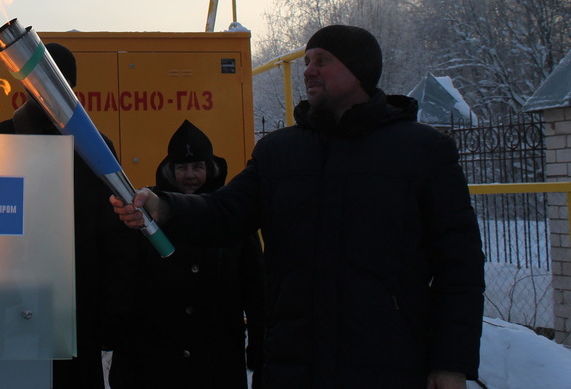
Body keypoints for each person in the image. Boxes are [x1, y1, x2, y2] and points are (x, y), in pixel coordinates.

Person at [111, 25, 485, 389]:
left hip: (387, 361)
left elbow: (459, 266)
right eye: (306, 61)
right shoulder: (280, 153)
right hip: (294, 364)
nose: (308, 70)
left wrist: (451, 363)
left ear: (359, 70)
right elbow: (225, 213)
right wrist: (164, 207)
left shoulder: (421, 151)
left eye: (322, 60)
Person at [0, 42, 130, 389]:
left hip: (74, 308)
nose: (45, 93)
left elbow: (112, 237)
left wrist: (111, 313)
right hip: (8, 304)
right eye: (38, 83)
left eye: (57, 83)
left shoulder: (94, 147)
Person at [107, 119, 264, 389]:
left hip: (216, 360)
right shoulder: (144, 213)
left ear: (210, 168)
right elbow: (124, 279)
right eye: (182, 167)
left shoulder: (232, 216)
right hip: (154, 360)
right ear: (171, 170)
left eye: (197, 167)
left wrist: (260, 349)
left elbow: (256, 287)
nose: (190, 175)